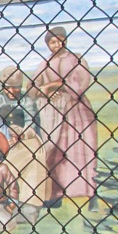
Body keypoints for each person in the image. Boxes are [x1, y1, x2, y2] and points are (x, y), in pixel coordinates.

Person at [30, 25, 98, 209]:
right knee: (53, 153)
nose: (56, 44)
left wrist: (52, 85)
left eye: (60, 40)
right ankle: (53, 195)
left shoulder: (76, 59)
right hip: (51, 113)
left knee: (80, 151)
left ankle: (90, 194)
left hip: (76, 111)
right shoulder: (45, 63)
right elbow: (32, 87)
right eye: (52, 42)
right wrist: (44, 92)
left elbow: (79, 83)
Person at [4, 124, 52, 224]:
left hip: (27, 199)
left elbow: (11, 166)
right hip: (29, 197)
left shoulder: (27, 144)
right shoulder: (34, 140)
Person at [0, 65, 41, 136]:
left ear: (20, 86)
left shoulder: (27, 101)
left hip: (23, 136)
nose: (11, 91)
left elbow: (30, 122)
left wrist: (24, 134)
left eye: (15, 87)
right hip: (1, 135)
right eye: (7, 87)